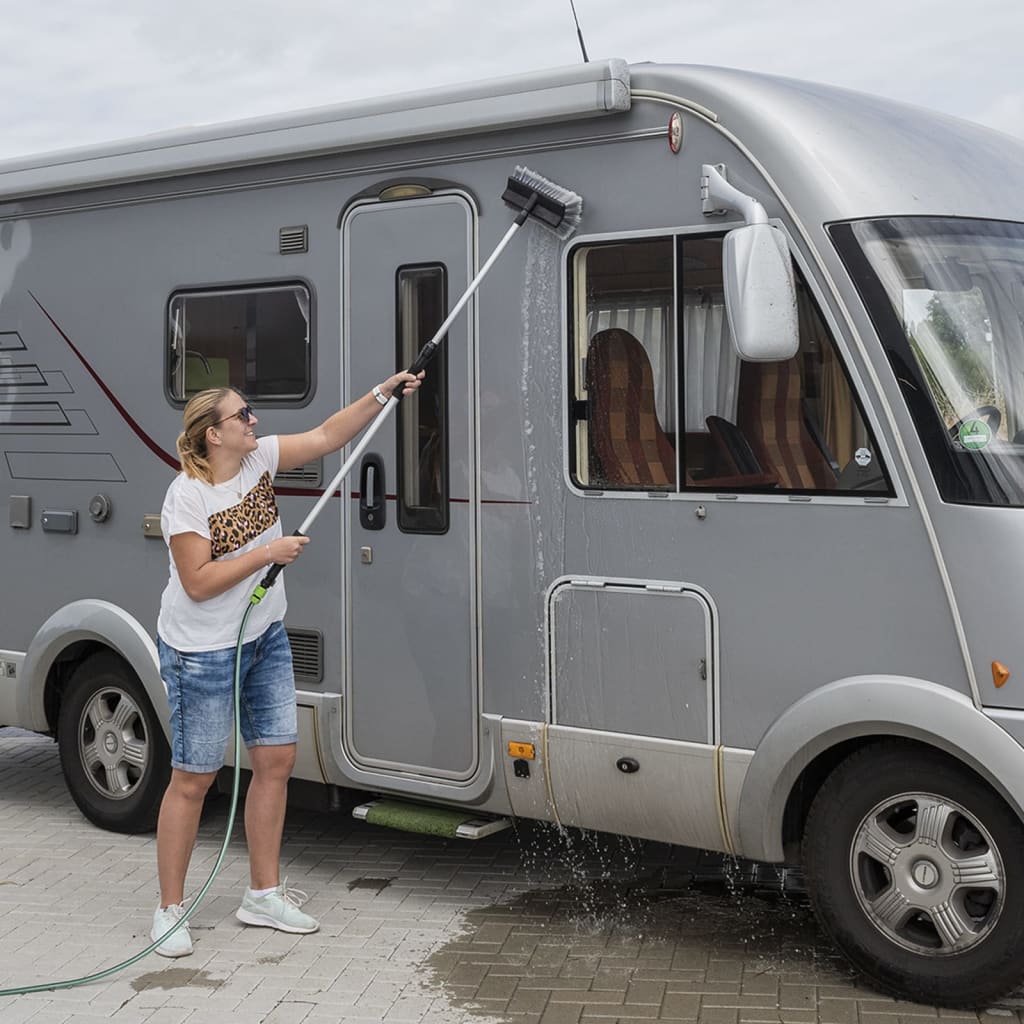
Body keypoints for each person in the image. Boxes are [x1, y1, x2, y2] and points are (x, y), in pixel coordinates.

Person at [151, 371, 422, 957]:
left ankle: (262, 895)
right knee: (194, 779)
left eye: (250, 412)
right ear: (211, 436)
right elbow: (197, 583)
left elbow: (327, 436)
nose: (253, 421)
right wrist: (266, 553)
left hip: (264, 635)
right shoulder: (188, 496)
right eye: (241, 416)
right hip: (202, 651)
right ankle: (170, 910)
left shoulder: (259, 462)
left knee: (275, 759)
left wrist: (383, 395)